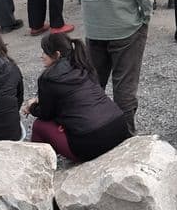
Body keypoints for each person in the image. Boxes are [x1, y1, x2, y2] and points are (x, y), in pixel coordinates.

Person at [25, 33, 130, 162]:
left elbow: (46, 114)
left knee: (39, 126)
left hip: (92, 142)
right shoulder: (83, 65)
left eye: (45, 52)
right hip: (119, 127)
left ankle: (36, 165)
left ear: (57, 54)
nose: (41, 56)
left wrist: (32, 107)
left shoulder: (48, 78)